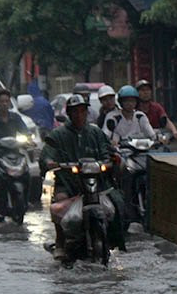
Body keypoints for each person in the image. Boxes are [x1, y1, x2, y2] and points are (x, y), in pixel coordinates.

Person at [41, 94, 124, 257]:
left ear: (87, 113)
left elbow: (109, 152)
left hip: (97, 183)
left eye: (82, 111)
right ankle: (60, 242)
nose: (79, 115)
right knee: (59, 202)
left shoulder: (96, 132)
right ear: (69, 114)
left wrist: (111, 160)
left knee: (118, 202)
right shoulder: (58, 135)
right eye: (75, 112)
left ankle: (116, 239)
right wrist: (51, 162)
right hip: (68, 183)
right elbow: (46, 155)